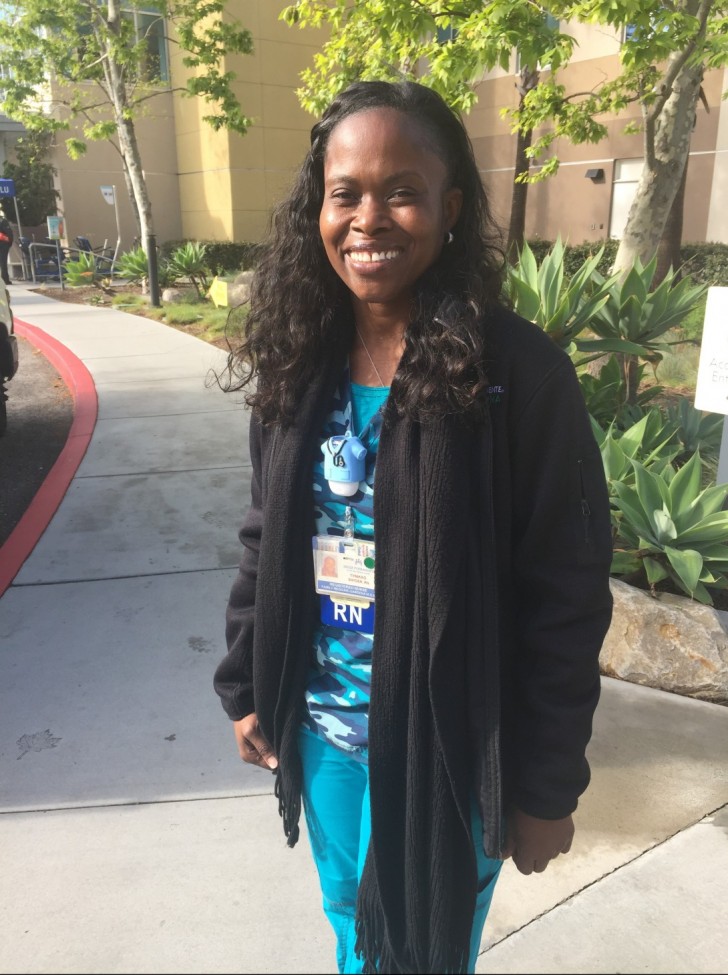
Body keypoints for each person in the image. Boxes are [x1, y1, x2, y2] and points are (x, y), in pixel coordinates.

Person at [213, 80, 613, 975]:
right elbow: (263, 531)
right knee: (353, 931)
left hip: (445, 750)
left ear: (451, 206)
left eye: (402, 190)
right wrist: (247, 681)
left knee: (421, 949)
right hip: (324, 736)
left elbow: (565, 597)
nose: (369, 218)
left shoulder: (516, 376)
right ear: (317, 206)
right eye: (345, 192)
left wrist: (546, 786)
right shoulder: (299, 358)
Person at [0, 212, 13, 286]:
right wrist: (9, 242)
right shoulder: (3, 221)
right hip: (3, 244)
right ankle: (5, 279)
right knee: (3, 261)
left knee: (2, 262)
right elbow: (8, 234)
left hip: (3, 243)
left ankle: (4, 279)